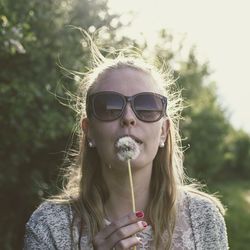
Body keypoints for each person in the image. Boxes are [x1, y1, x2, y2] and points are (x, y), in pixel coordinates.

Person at [24, 36, 229, 250]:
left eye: (147, 106)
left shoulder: (204, 219)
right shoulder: (48, 226)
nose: (129, 117)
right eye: (109, 107)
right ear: (89, 131)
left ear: (164, 132)